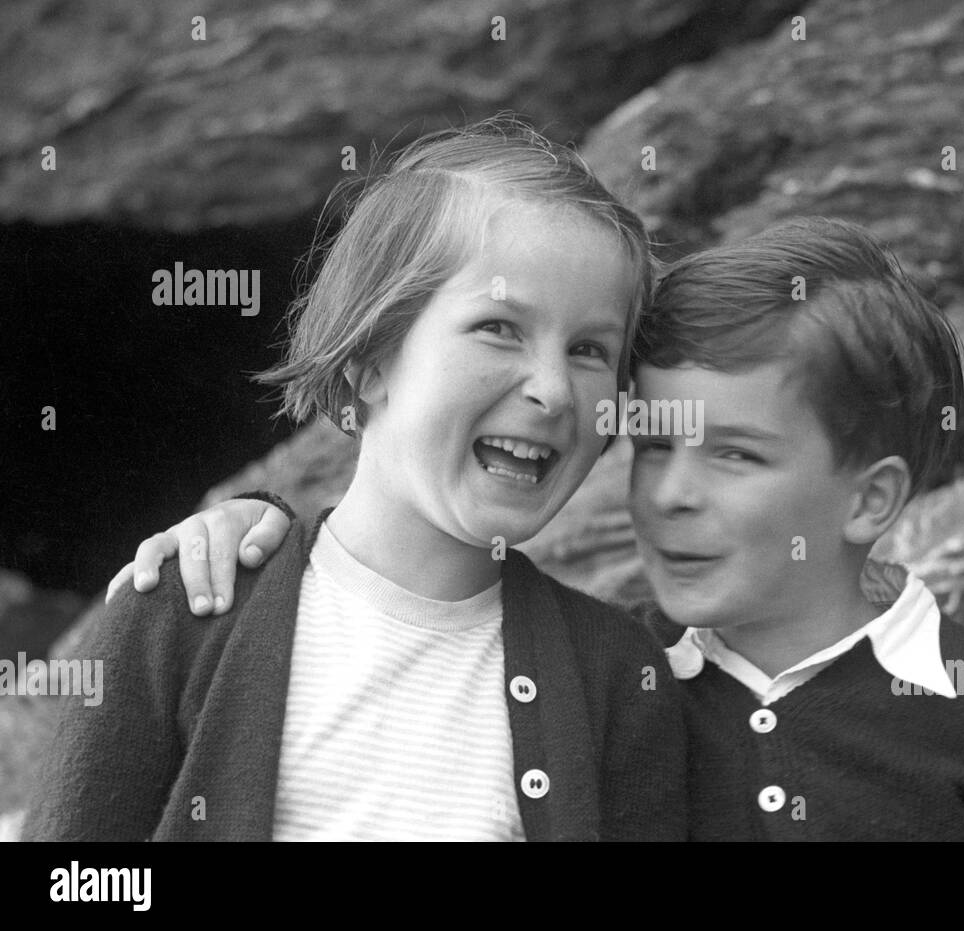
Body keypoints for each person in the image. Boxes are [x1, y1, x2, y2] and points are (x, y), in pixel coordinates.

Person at [109, 217, 964, 841]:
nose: (670, 494)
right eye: (654, 443)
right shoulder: (605, 679)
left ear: (868, 499)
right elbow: (408, 604)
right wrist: (261, 532)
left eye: (734, 454)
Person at [23, 117, 687, 842]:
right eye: (499, 327)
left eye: (591, 349)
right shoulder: (182, 609)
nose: (554, 390)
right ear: (368, 363)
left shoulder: (620, 676)